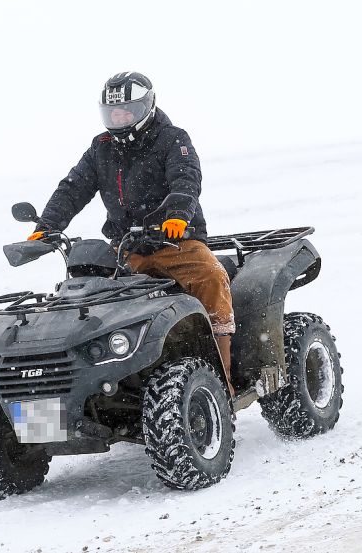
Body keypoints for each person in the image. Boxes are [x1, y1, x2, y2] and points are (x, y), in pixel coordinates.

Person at [30, 71, 236, 395]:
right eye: (113, 113)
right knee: (91, 300)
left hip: (175, 240)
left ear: (146, 108)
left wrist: (178, 216)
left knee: (212, 277)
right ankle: (97, 385)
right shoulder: (100, 149)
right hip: (127, 248)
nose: (119, 117)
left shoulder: (172, 139)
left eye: (126, 110)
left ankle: (224, 379)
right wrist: (46, 228)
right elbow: (72, 189)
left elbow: (187, 178)